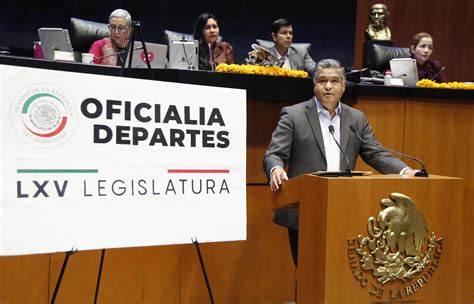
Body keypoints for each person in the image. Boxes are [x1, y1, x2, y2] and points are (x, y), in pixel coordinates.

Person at [263, 59, 418, 266]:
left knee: (341, 272)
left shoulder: (357, 118)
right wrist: (276, 168)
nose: (328, 86)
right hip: (306, 209)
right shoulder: (293, 115)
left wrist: (404, 171)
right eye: (322, 81)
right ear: (314, 85)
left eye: (334, 81)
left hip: (344, 207)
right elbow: (274, 154)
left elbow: (376, 154)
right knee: (309, 273)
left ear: (343, 86)